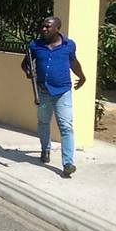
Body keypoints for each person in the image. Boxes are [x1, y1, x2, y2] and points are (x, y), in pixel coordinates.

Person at [21, 16, 87, 178]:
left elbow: (73, 62)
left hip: (63, 91)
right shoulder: (35, 45)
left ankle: (68, 163)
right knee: (43, 122)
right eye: (42, 26)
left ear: (57, 28)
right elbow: (25, 64)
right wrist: (29, 72)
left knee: (66, 126)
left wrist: (82, 77)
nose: (44, 29)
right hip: (43, 92)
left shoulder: (68, 45)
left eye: (48, 27)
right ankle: (45, 149)